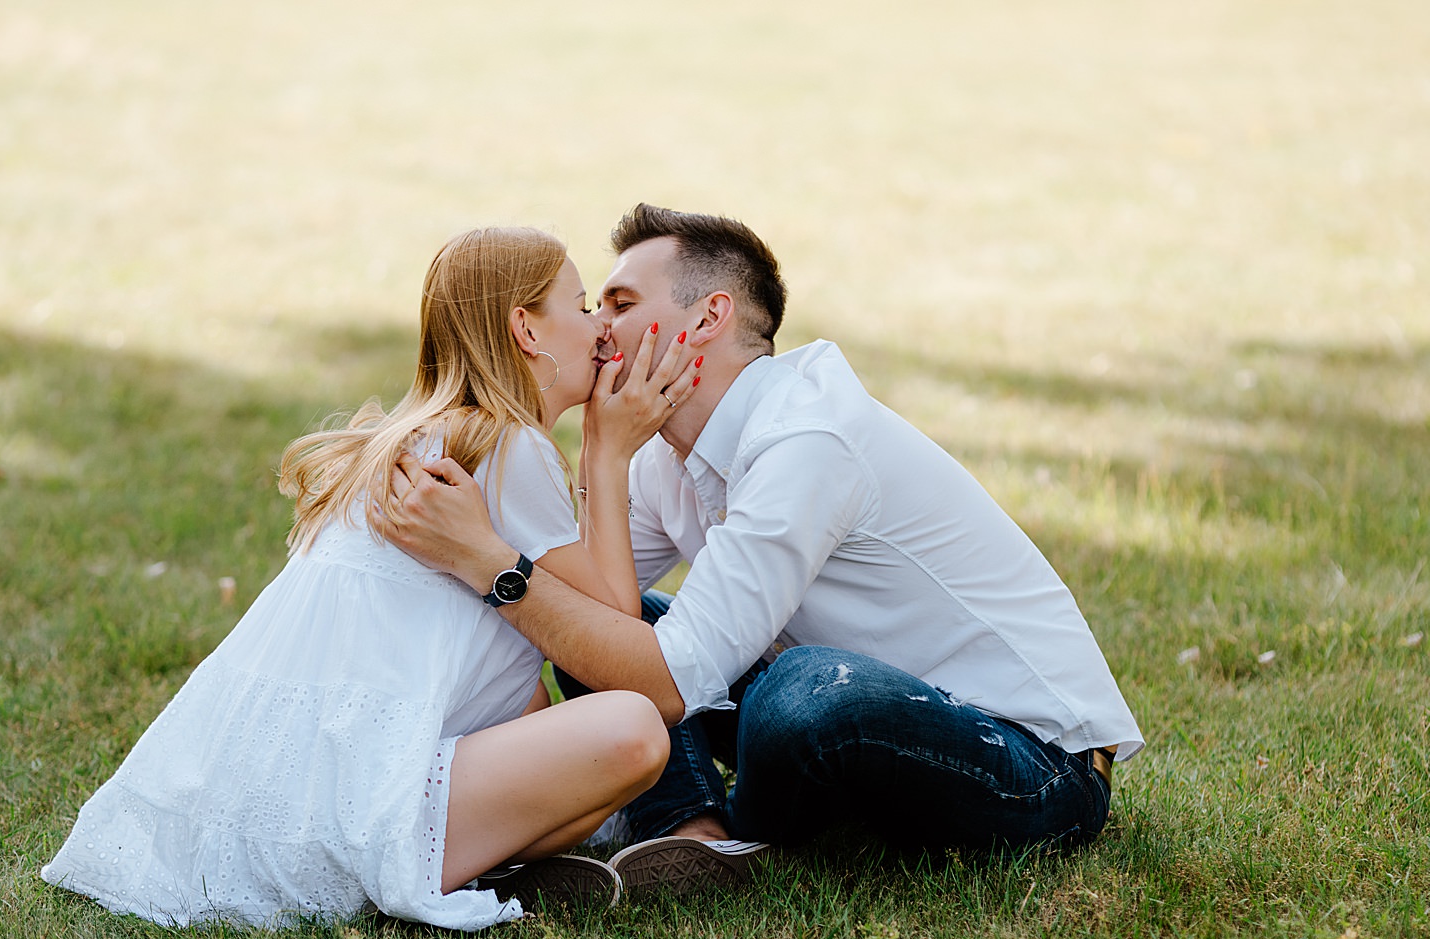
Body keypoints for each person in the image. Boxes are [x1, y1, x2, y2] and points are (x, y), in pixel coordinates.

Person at [381, 204, 1145, 894]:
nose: (600, 328)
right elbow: (590, 613)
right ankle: (691, 836)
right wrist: (600, 459)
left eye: (620, 303)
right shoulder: (658, 460)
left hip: (1031, 761)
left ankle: (744, 828)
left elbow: (673, 680)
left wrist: (491, 563)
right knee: (625, 625)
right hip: (872, 715)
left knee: (806, 692)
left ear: (709, 316)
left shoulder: (806, 438)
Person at [41, 226, 701, 931]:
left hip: (296, 794)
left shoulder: (417, 435)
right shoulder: (511, 446)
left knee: (536, 697)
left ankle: (480, 849)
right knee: (632, 730)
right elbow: (617, 635)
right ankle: (446, 859)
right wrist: (608, 450)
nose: (601, 325)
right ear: (526, 330)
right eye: (580, 305)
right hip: (362, 810)